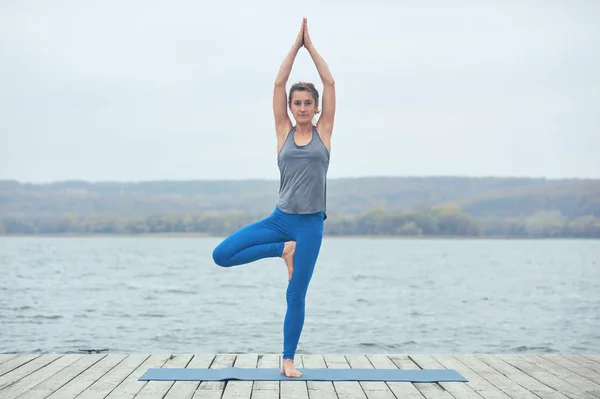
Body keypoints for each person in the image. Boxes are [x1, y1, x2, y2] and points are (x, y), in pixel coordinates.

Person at [211, 17, 336, 378]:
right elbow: (279, 82)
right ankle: (283, 250)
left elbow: (329, 82)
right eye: (296, 103)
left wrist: (310, 47)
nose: (300, 108)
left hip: (311, 224)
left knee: (295, 295)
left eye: (307, 103)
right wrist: (293, 47)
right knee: (222, 255)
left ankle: (287, 359)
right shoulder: (282, 131)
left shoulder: (323, 133)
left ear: (315, 108)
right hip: (280, 219)